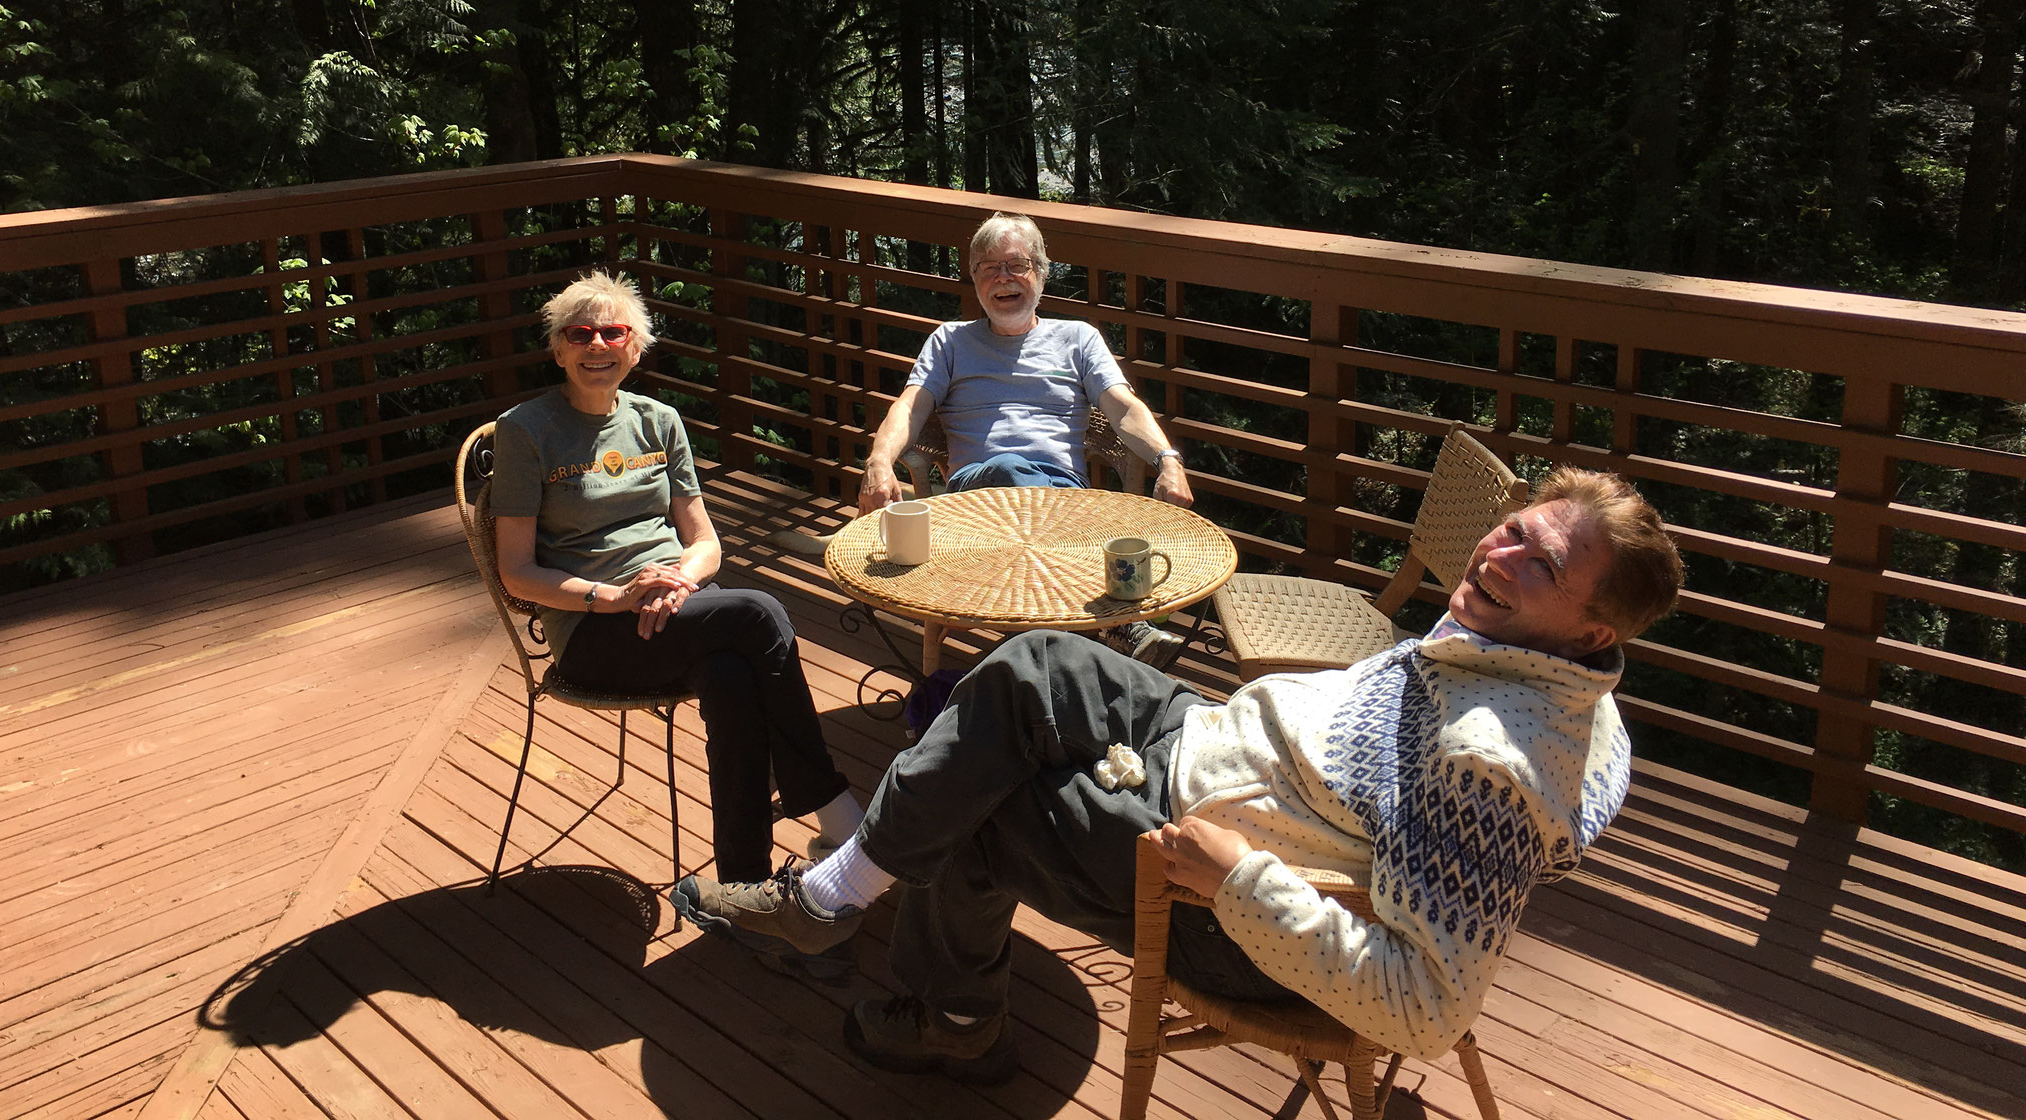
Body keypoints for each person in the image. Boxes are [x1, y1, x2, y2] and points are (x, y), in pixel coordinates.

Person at [670, 467, 1683, 1082]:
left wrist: (1239, 877)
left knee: (974, 800)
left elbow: (1424, 1010)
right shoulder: (1535, 659)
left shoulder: (1487, 762)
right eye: (1516, 530)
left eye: (1542, 565)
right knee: (1033, 662)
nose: (1502, 557)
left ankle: (943, 1011)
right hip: (1212, 737)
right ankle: (836, 892)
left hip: (1206, 882)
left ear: (1589, 627)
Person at [485, 270, 865, 888]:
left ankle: (743, 889)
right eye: (580, 334)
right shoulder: (527, 431)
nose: (598, 346)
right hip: (594, 634)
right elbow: (517, 571)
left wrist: (678, 582)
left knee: (733, 674)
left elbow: (705, 543)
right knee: (761, 614)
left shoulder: (659, 422)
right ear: (558, 349)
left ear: (636, 347)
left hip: (677, 613)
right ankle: (836, 810)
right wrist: (614, 597)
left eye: (615, 332)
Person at [856, 211, 1195, 665]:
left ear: (1041, 272)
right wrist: (879, 462)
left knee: (1048, 502)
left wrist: (1168, 460)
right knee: (1010, 467)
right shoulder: (950, 342)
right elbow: (909, 406)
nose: (1003, 278)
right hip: (977, 500)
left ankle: (1056, 667)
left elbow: (1123, 408)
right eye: (988, 268)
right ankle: (1116, 628)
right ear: (974, 280)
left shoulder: (1077, 339)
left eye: (1016, 265)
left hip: (1065, 501)